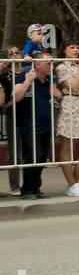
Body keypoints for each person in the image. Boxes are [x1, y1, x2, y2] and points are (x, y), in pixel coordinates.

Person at [8, 49, 62, 199]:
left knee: (42, 157)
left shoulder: (50, 78)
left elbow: (58, 95)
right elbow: (16, 97)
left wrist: (56, 91)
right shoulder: (26, 74)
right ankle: (27, 189)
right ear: (38, 65)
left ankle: (36, 187)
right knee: (33, 156)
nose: (52, 65)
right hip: (29, 123)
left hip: (45, 123)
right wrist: (27, 81)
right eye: (48, 62)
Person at [54, 41, 79, 197]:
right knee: (67, 147)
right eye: (72, 47)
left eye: (78, 47)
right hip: (70, 104)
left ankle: (73, 184)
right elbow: (74, 88)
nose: (76, 50)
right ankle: (72, 184)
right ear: (64, 51)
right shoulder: (61, 67)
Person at [1, 45, 22, 195]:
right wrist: (7, 104)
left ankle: (31, 184)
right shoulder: (5, 75)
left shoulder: (29, 70)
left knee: (30, 152)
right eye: (11, 54)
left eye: (16, 52)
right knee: (14, 152)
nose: (14, 55)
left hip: (29, 114)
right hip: (12, 114)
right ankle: (15, 185)